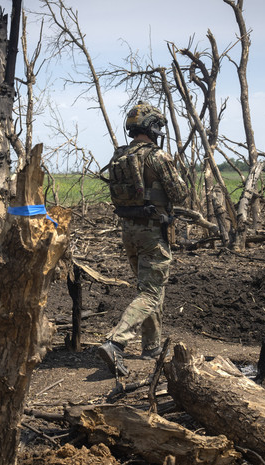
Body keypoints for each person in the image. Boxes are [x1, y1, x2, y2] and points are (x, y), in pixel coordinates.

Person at [97, 101, 188, 377]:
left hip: (130, 232)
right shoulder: (157, 157)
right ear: (151, 127)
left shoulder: (119, 156)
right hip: (152, 232)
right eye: (158, 126)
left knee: (151, 288)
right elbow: (180, 194)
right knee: (150, 291)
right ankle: (116, 341)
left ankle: (152, 346)